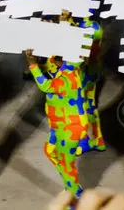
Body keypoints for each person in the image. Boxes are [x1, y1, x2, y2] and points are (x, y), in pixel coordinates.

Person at [23, 50, 88, 197]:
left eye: (56, 58)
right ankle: (70, 183)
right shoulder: (71, 70)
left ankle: (74, 197)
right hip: (59, 126)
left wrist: (32, 65)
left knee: (67, 165)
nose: (52, 60)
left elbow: (46, 86)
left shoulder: (67, 78)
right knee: (50, 151)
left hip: (69, 128)